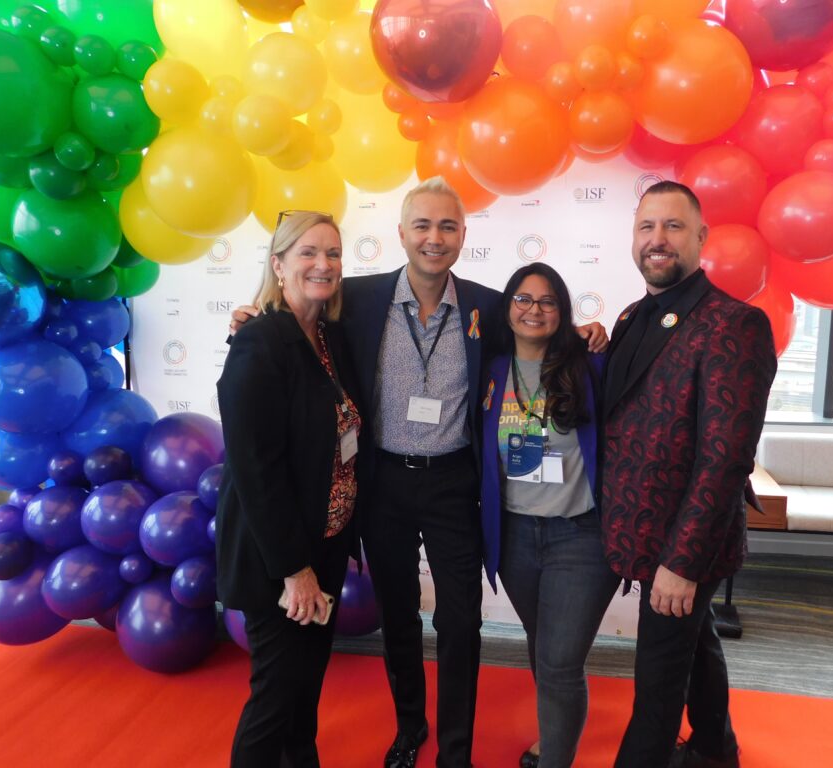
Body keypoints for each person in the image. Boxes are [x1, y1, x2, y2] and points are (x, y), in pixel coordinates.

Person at [231, 177, 607, 768]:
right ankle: (411, 729)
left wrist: (587, 335)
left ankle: (454, 749)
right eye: (423, 226)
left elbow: (544, 330)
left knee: (461, 621)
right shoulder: (352, 298)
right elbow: (294, 323)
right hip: (382, 482)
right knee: (398, 616)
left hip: (455, 482)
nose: (435, 238)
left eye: (448, 226)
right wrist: (252, 315)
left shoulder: (488, 304)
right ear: (402, 233)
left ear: (462, 236)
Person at [601, 181, 777, 768]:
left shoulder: (735, 323)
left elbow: (726, 458)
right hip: (637, 535)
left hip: (682, 547)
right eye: (647, 227)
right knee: (696, 645)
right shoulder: (629, 316)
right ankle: (714, 747)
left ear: (701, 237)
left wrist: (681, 562)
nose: (658, 239)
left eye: (673, 226)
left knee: (656, 686)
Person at [215, 210, 361, 768]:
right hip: (280, 557)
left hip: (325, 542)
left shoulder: (327, 336)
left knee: (305, 688)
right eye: (307, 253)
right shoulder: (259, 341)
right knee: (275, 695)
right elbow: (257, 470)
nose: (322, 265)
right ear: (278, 265)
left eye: (332, 254)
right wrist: (295, 570)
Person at [479, 263, 619, 768]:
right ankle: (553, 733)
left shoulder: (591, 366)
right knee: (543, 648)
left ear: (562, 312)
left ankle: (555, 758)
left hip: (581, 536)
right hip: (515, 536)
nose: (533, 310)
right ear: (507, 309)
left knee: (560, 662)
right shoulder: (489, 370)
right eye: (523, 299)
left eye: (547, 301)